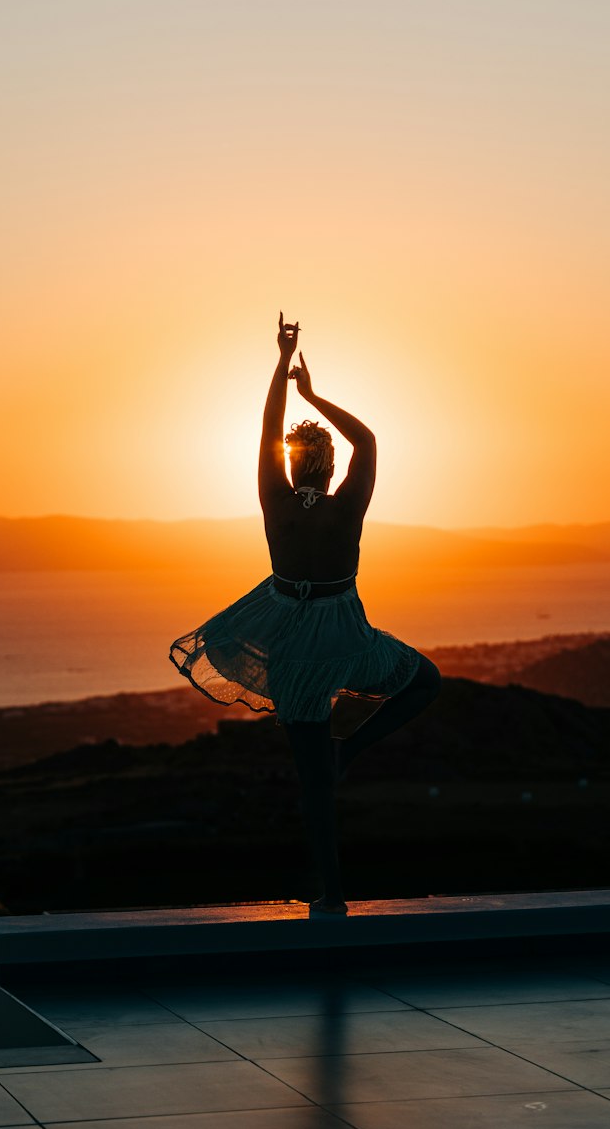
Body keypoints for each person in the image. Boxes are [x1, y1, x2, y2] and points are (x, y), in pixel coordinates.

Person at [170, 312, 441, 914]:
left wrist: (279, 365)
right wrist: (313, 393)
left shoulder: (276, 500)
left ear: (293, 464)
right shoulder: (347, 505)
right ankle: (354, 749)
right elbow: (366, 442)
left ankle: (332, 894)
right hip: (342, 631)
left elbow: (264, 428)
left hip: (288, 633)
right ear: (328, 464)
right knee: (425, 682)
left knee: (312, 781)